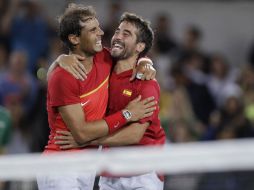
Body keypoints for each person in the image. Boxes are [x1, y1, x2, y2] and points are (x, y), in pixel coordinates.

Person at [37, 4, 156, 190]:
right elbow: (82, 133)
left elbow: (131, 53)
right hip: (60, 165)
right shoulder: (63, 76)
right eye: (93, 30)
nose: (101, 32)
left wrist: (145, 62)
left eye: (98, 27)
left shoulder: (105, 58)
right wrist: (127, 114)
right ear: (75, 38)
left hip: (87, 168)